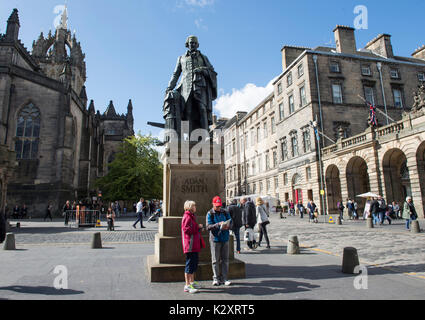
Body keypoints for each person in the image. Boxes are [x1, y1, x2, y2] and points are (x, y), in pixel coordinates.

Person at [206, 196, 232, 286]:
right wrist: (218, 225)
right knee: (215, 260)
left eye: (219, 206)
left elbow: (231, 222)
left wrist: (228, 225)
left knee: (225, 259)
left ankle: (224, 278)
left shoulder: (225, 212)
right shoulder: (210, 213)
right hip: (215, 239)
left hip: (225, 238)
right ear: (213, 204)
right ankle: (216, 278)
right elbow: (208, 226)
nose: (218, 207)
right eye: (216, 206)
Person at [181, 201, 204, 294]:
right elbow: (186, 229)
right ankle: (187, 285)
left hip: (194, 244)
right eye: (194, 205)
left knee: (193, 264)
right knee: (189, 265)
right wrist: (197, 227)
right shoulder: (187, 217)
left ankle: (192, 282)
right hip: (190, 244)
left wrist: (198, 227)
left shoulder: (191, 216)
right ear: (190, 207)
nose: (195, 207)